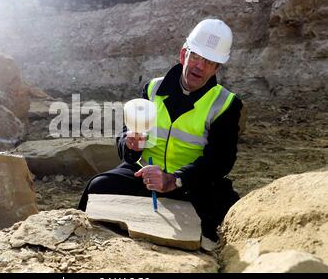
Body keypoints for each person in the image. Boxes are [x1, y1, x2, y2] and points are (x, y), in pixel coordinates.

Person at [78, 19, 243, 245]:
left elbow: (220, 161)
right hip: (142, 176)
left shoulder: (225, 104)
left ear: (217, 68)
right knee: (98, 187)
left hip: (191, 184)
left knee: (227, 212)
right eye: (195, 56)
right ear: (183, 54)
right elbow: (126, 133)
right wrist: (129, 144)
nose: (199, 66)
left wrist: (175, 179)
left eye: (209, 62)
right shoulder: (152, 88)